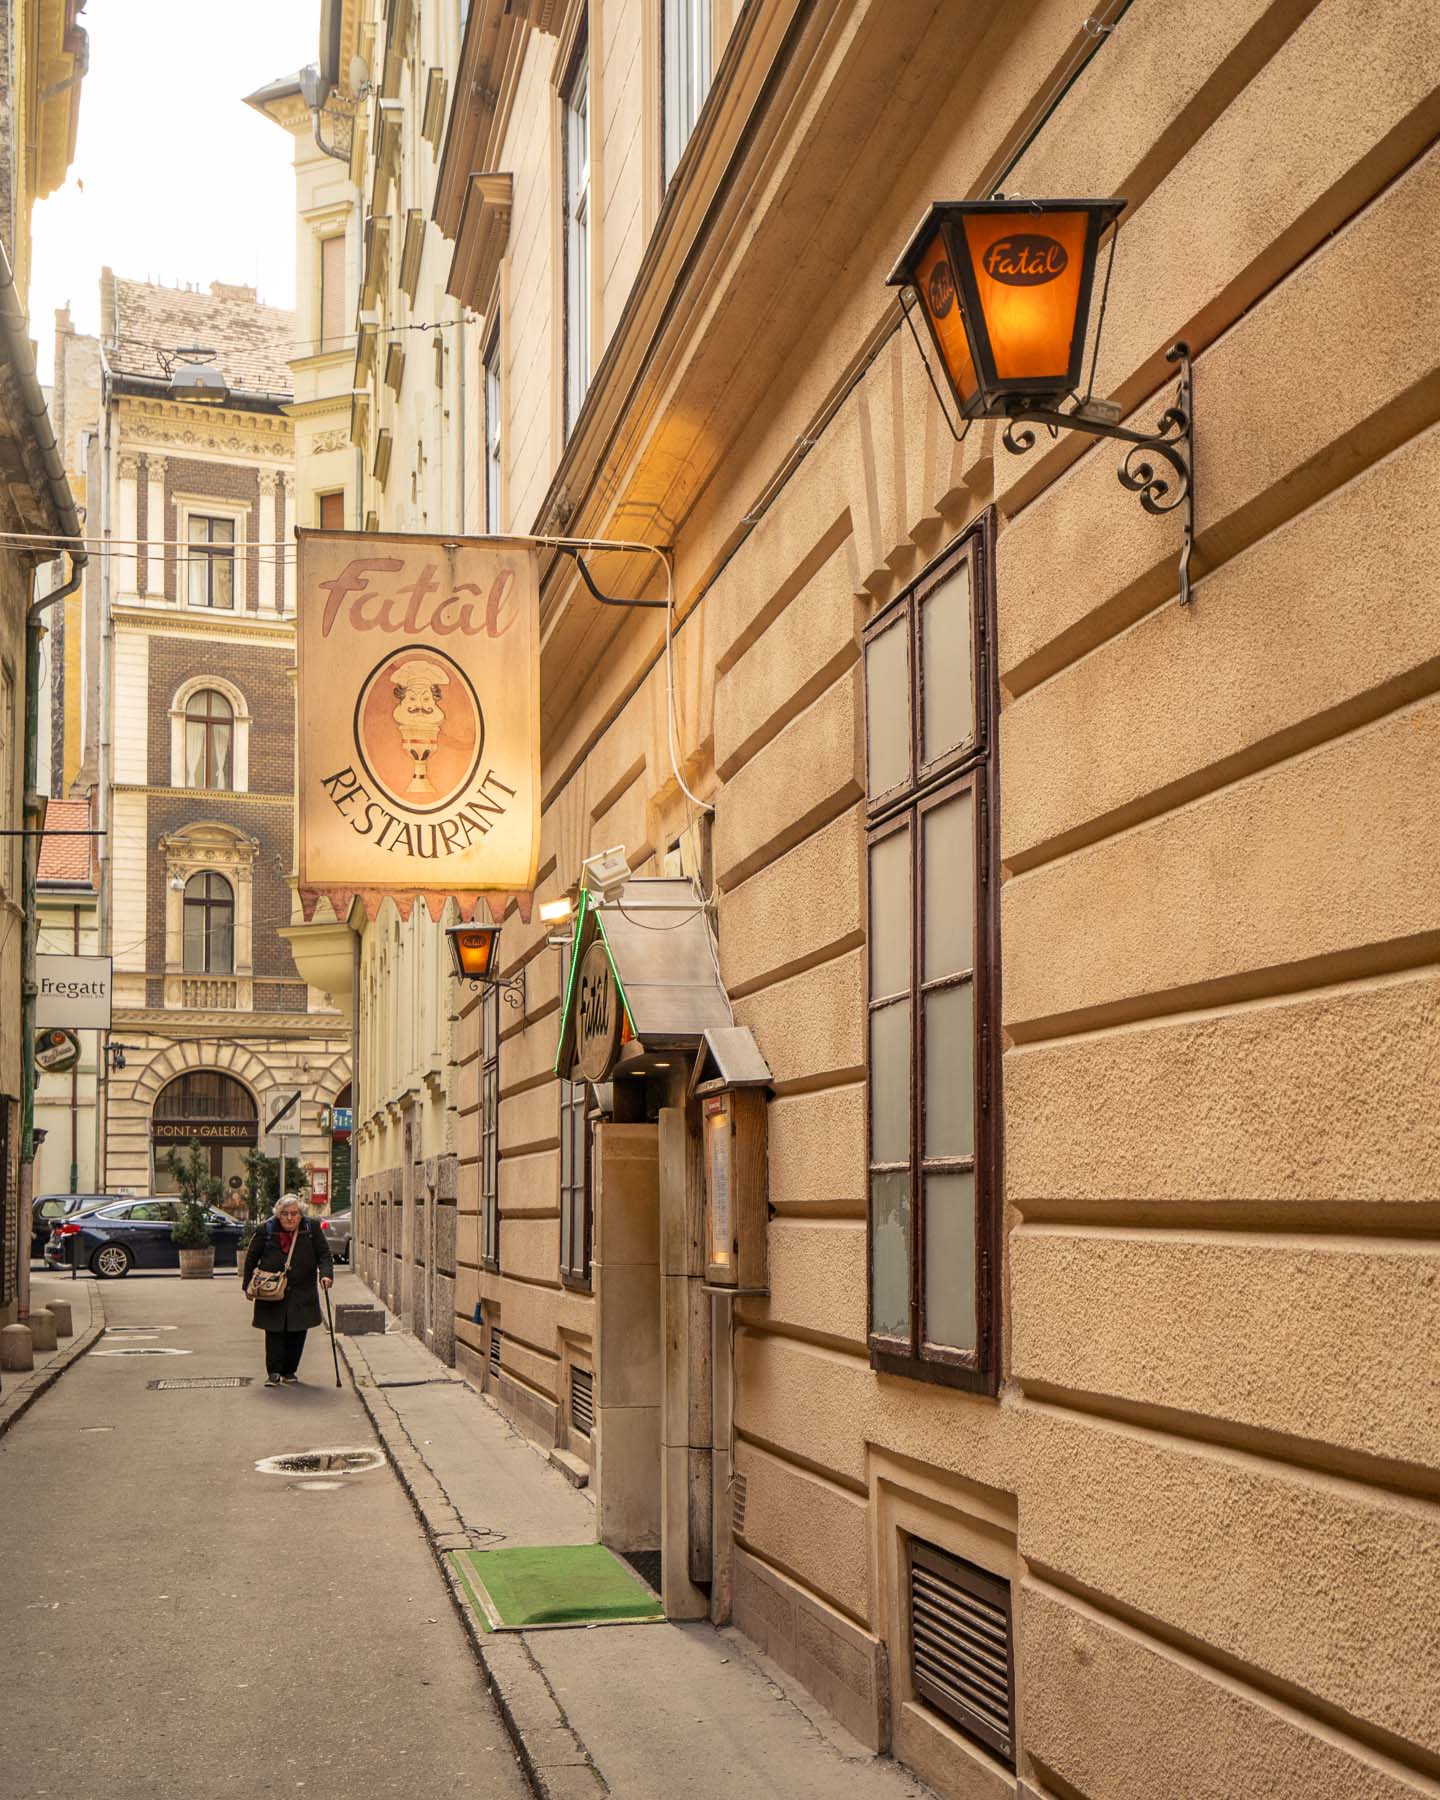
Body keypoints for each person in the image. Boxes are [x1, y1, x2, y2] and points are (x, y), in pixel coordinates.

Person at [243, 1195, 333, 1388]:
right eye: (285, 1214)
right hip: (272, 1290)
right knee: (274, 1331)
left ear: (301, 1214)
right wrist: (248, 1286)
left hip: (302, 1290)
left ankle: (290, 1370)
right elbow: (251, 1258)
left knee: (298, 1331)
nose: (290, 1218)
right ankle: (274, 1372)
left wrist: (326, 1275)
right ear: (278, 1214)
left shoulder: (311, 1228)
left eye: (294, 1214)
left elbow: (324, 1255)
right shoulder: (266, 1229)